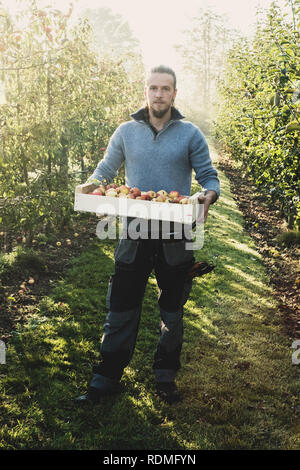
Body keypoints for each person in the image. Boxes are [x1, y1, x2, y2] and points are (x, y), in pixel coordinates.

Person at [75, 65, 220, 404]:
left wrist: (206, 197)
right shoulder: (126, 131)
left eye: (165, 88)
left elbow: (209, 178)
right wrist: (94, 190)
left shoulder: (190, 134)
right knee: (121, 306)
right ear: (146, 91)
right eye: (153, 88)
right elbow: (105, 170)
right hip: (135, 232)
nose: (159, 94)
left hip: (175, 235)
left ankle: (165, 376)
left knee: (172, 309)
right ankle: (105, 377)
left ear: (174, 93)